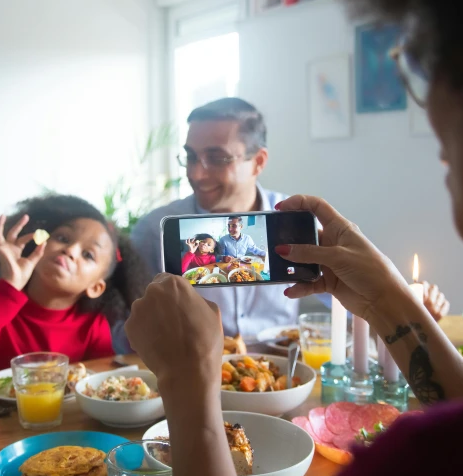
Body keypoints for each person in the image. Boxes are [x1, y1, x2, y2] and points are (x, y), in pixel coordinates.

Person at [124, 0, 463, 476]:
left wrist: (189, 393)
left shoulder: (413, 457)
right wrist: (389, 299)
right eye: (190, 157)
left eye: (421, 66)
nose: (431, 118)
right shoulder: (155, 229)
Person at [131, 97, 326, 338]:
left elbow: (342, 305)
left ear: (258, 162)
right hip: (191, 370)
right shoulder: (151, 231)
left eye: (217, 159)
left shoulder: (295, 221)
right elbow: (130, 331)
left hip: (282, 367)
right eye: (191, 157)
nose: (196, 174)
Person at [0, 195, 149, 390]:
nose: (70, 250)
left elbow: (97, 390)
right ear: (41, 242)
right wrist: (8, 289)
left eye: (87, 254)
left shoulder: (93, 327)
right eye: (64, 238)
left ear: (95, 287)